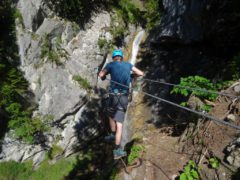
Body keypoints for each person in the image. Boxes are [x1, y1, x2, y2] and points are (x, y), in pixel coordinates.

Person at [99, 49, 144, 159]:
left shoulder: (110, 65)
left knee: (110, 114)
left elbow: (101, 75)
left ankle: (112, 135)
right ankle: (118, 150)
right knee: (119, 124)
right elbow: (141, 73)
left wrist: (104, 76)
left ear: (114, 57)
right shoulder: (128, 65)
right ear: (121, 57)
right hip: (123, 98)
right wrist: (131, 76)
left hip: (113, 97)